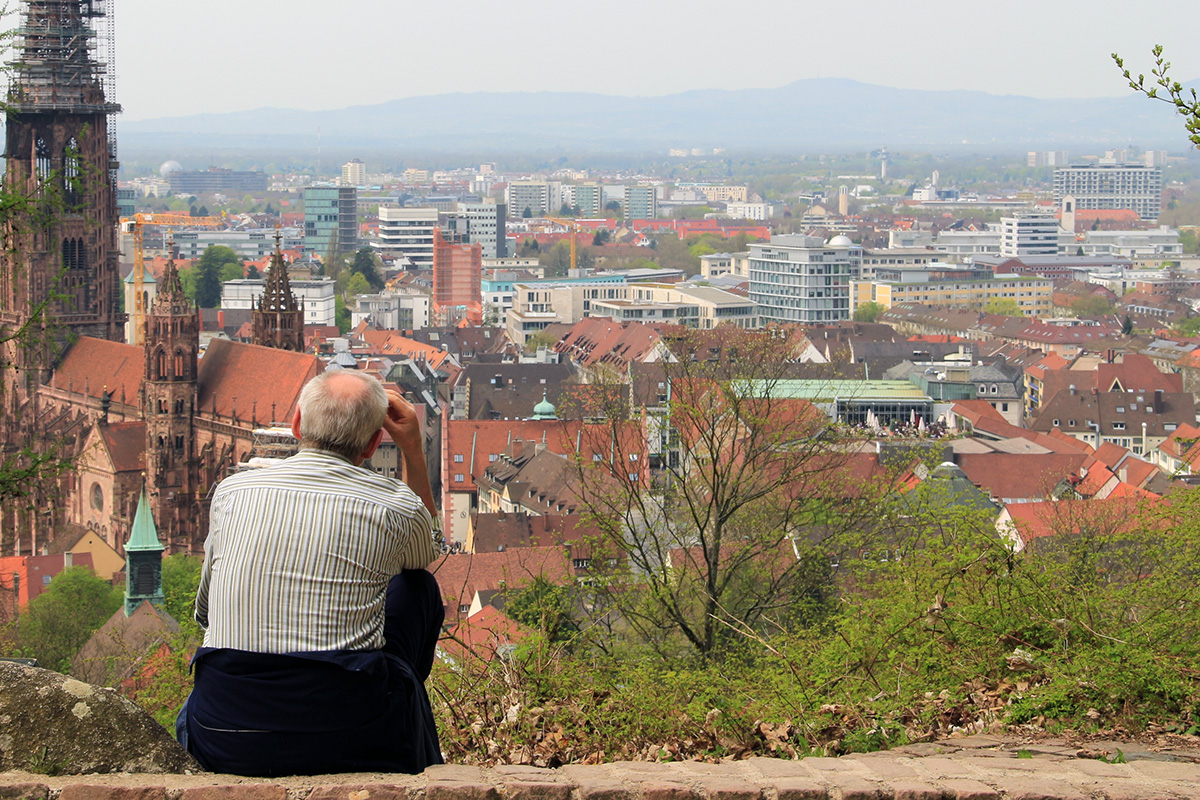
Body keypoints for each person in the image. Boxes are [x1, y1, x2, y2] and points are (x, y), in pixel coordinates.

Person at [177, 370, 445, 776]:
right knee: (417, 585)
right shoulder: (394, 508)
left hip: (225, 733)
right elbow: (428, 549)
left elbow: (205, 615)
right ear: (374, 445)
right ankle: (407, 724)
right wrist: (413, 450)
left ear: (297, 424)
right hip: (349, 735)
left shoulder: (232, 493)